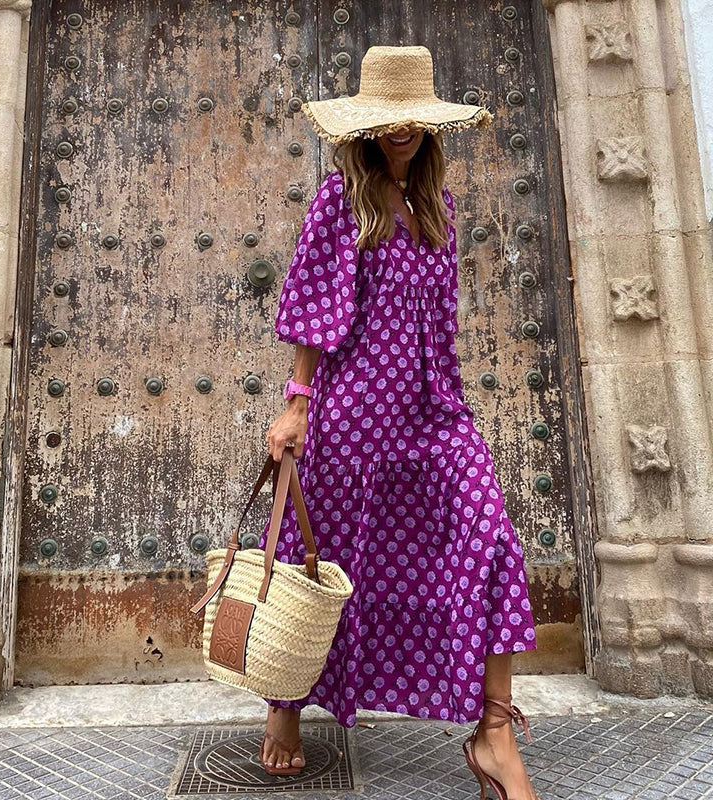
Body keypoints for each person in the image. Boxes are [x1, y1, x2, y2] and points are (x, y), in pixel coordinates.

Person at [259, 45, 541, 800]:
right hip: (352, 412)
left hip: (433, 409)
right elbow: (312, 311)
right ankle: (284, 706)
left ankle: (495, 734)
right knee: (321, 559)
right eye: (389, 121)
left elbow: (437, 324)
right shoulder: (339, 200)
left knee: (490, 538)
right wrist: (297, 404)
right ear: (366, 128)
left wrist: (450, 400)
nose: (403, 131)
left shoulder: (438, 206)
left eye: (413, 119)